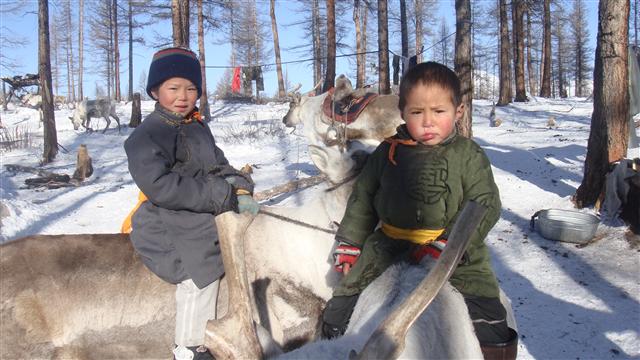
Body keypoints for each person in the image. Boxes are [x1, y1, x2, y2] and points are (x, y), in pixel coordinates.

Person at [321, 62, 517, 360]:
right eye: (416, 113)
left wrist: (449, 245)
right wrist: (350, 243)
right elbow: (363, 199)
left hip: (455, 254)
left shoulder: (468, 156)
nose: (428, 122)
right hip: (387, 247)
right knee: (337, 309)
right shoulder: (387, 153)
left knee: (492, 320)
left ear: (458, 112)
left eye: (438, 112)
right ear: (402, 112)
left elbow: (485, 202)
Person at [123, 47, 259, 360]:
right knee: (200, 272)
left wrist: (239, 185)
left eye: (191, 88)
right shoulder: (147, 135)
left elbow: (220, 165)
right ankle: (190, 346)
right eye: (173, 88)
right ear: (155, 91)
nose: (183, 96)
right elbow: (161, 186)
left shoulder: (197, 127)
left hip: (197, 212)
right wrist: (217, 194)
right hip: (164, 220)